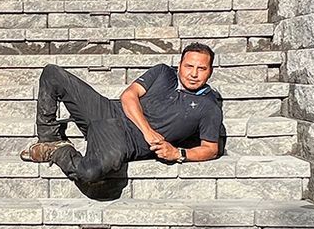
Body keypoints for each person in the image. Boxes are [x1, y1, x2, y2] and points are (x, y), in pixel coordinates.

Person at [21, 43, 225, 187]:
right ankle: (49, 139)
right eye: (189, 66)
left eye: (201, 68)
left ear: (210, 72)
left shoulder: (208, 107)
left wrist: (179, 154)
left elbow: (211, 149)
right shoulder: (163, 72)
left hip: (122, 141)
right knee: (52, 73)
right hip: (107, 111)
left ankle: (59, 151)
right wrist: (148, 131)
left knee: (90, 173)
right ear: (180, 65)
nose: (193, 73)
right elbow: (129, 95)